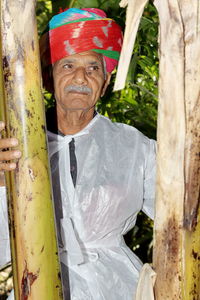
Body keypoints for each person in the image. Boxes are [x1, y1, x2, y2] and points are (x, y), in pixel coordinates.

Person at [0, 8, 156, 300]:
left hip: (118, 287)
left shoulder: (134, 145)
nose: (81, 77)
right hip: (37, 284)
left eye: (93, 68)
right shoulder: (15, 144)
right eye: (68, 65)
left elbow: (180, 212)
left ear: (105, 83)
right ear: (48, 79)